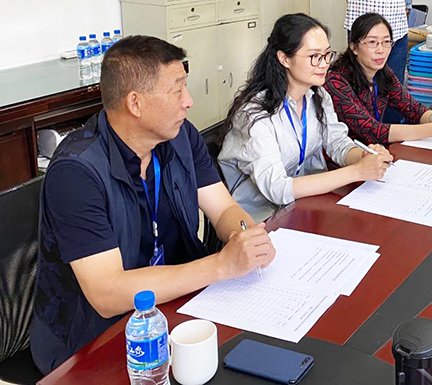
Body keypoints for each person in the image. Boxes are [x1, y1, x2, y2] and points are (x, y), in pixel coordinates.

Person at [31, 36, 276, 374]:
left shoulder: (180, 137)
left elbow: (223, 209)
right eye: (177, 90)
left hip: (175, 306)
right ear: (135, 103)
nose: (188, 101)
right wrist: (222, 265)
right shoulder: (77, 172)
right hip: (94, 341)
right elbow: (106, 294)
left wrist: (246, 237)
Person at [218, 13, 393, 221]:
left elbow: (337, 142)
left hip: (307, 206)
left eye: (327, 55)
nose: (324, 64)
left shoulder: (318, 96)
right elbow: (278, 189)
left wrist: (364, 157)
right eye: (314, 56)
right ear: (284, 59)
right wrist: (357, 172)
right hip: (262, 219)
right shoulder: (254, 114)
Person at [325, 12, 432, 145]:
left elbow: (413, 108)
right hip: (347, 156)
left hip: (375, 152)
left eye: (386, 42)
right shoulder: (336, 81)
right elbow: (373, 131)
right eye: (372, 42)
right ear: (354, 47)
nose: (381, 50)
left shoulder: (382, 72)